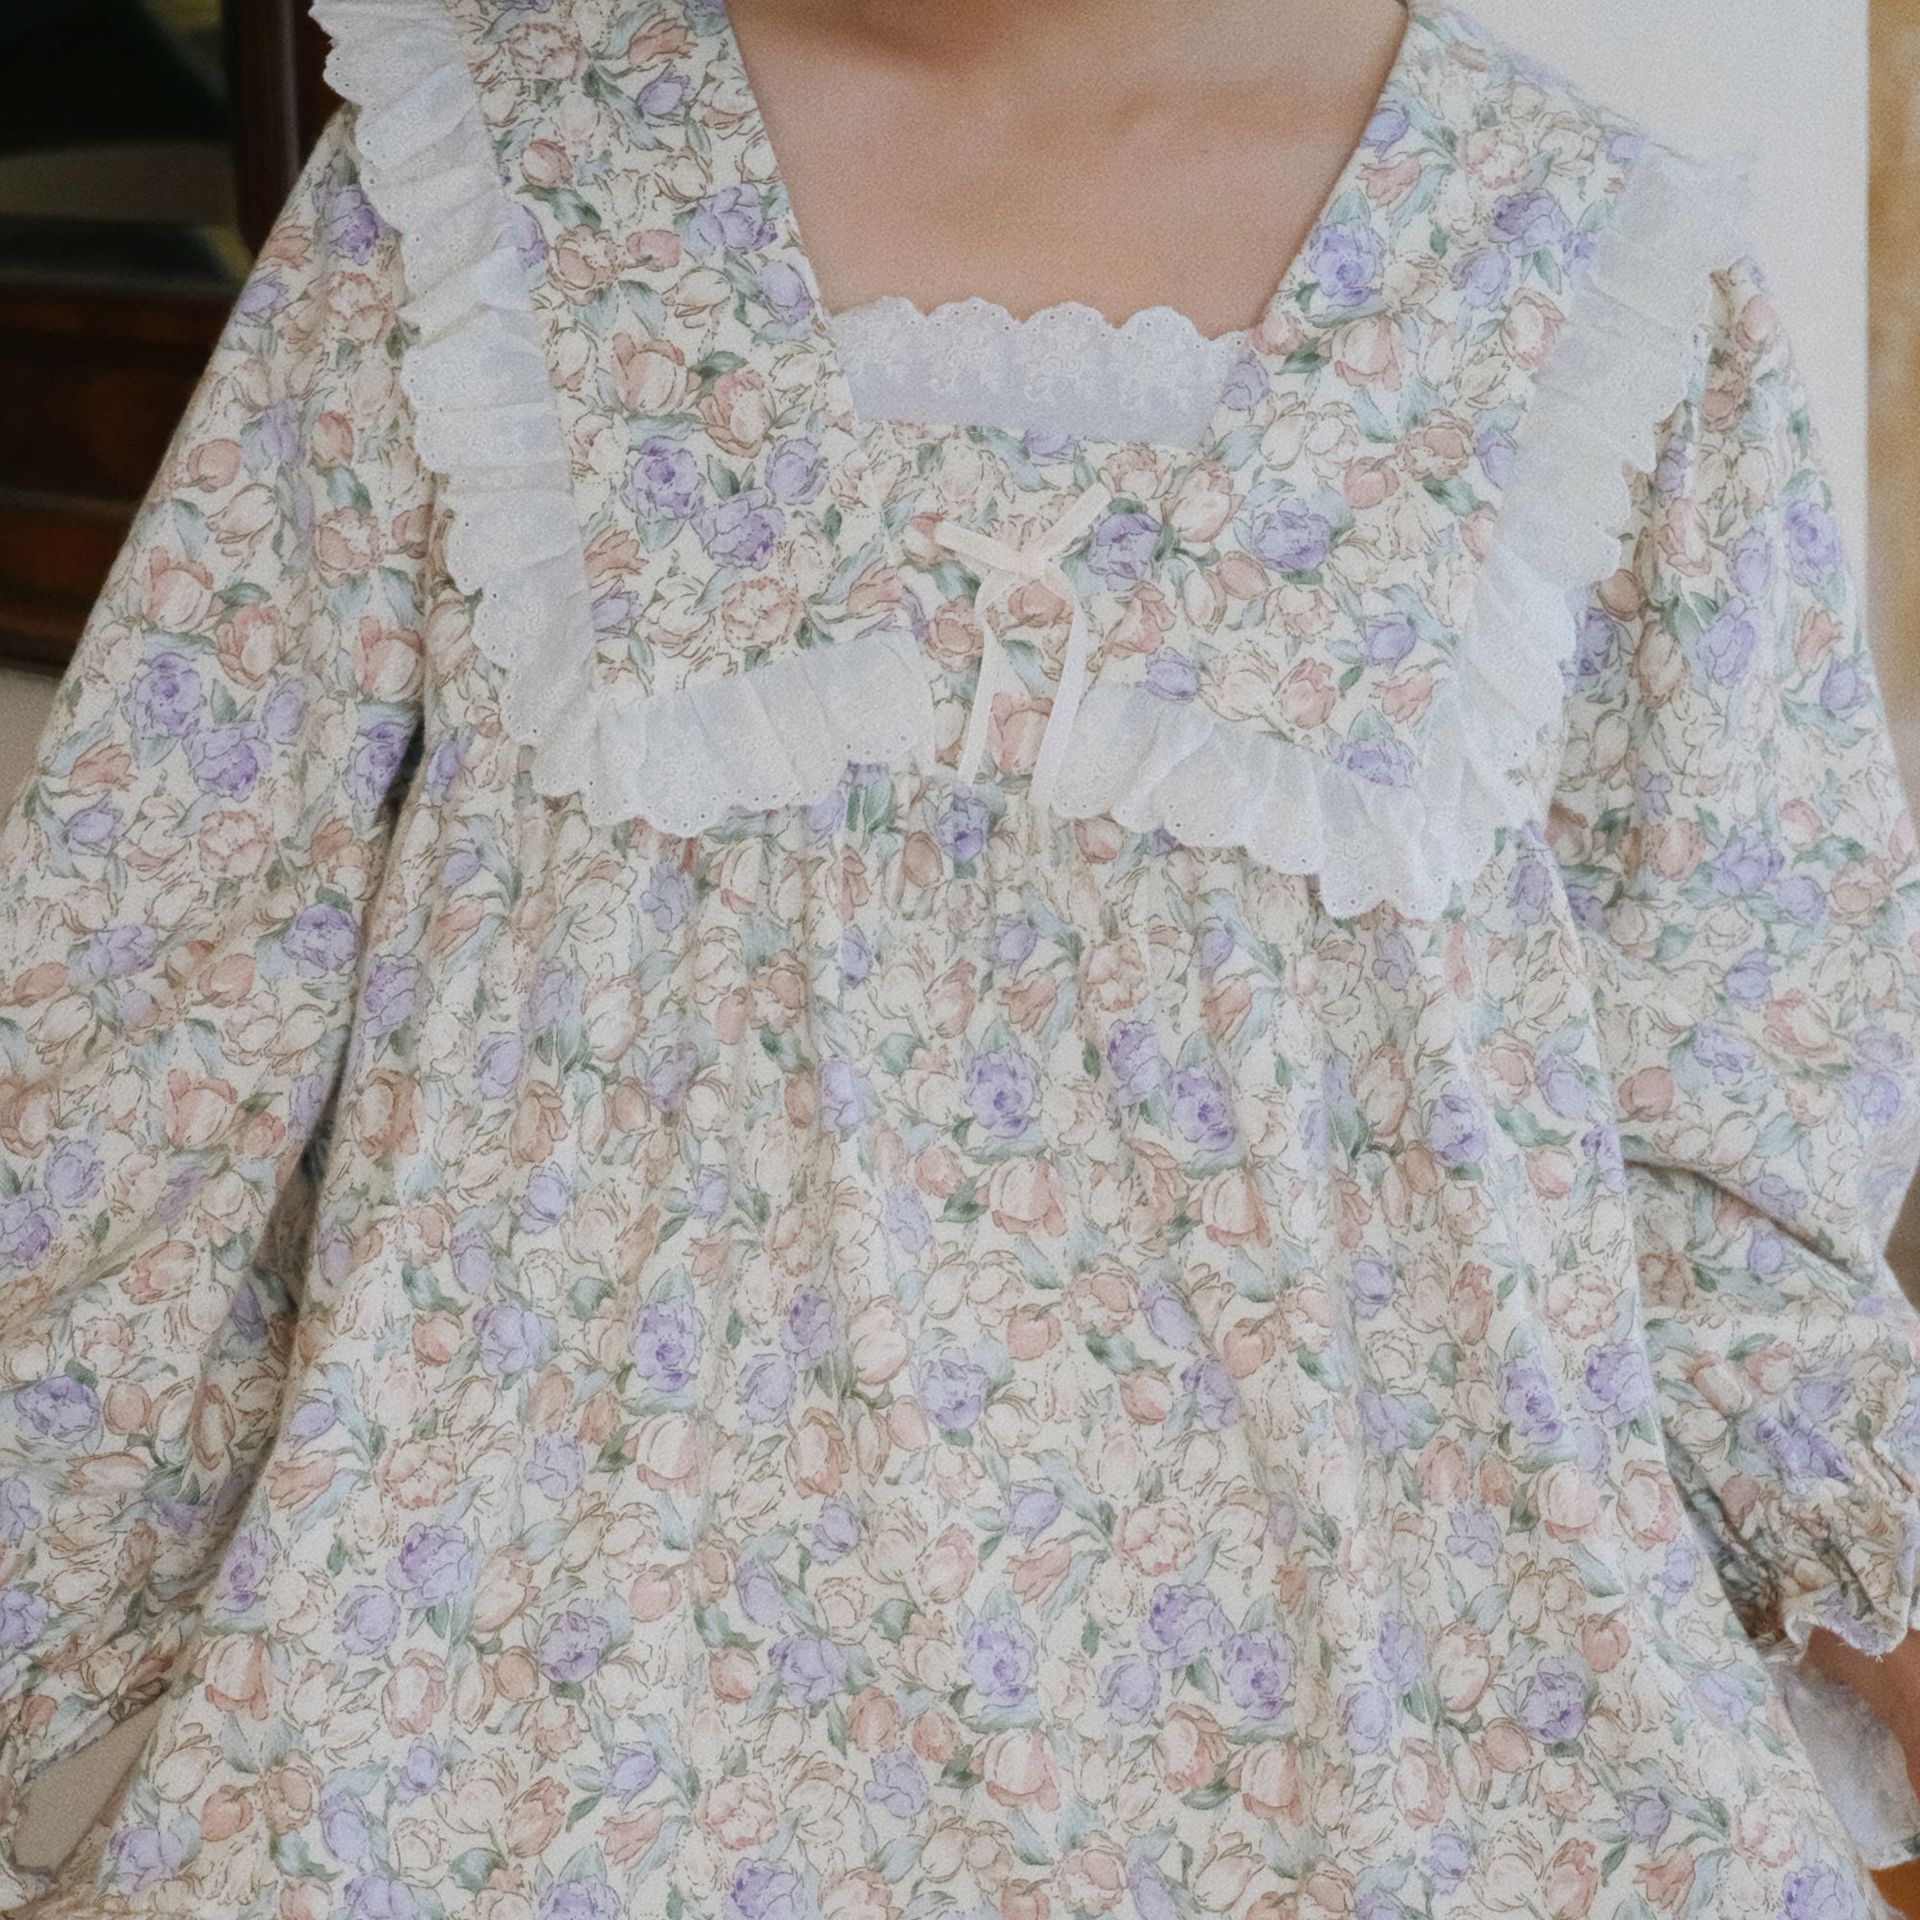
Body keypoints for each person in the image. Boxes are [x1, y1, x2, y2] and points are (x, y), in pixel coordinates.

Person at [4, 0, 1920, 1912]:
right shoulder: (483, 172)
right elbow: (141, 1047)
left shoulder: (1589, 264)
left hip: (1413, 1775)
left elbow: (1740, 1162)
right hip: (500, 1761)